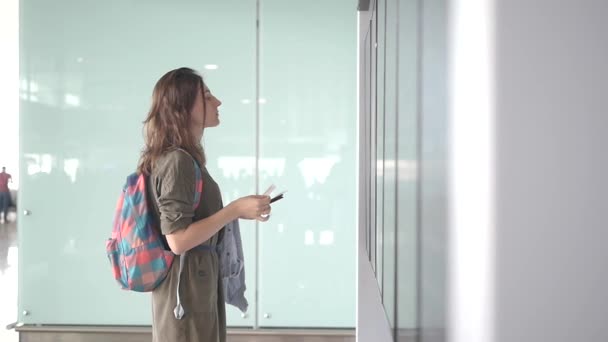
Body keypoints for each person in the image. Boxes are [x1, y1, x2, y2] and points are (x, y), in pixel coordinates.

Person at [137, 67, 271, 342]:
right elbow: (177, 239)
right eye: (207, 96)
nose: (217, 102)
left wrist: (240, 211)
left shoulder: (185, 158)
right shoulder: (179, 161)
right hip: (186, 290)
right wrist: (234, 210)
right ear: (183, 107)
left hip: (195, 283)